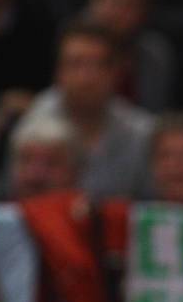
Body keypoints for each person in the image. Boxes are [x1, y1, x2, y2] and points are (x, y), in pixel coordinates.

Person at [20, 19, 154, 200]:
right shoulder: (31, 125)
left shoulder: (141, 132)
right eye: (76, 64)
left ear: (117, 72)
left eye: (97, 65)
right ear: (58, 71)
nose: (86, 78)